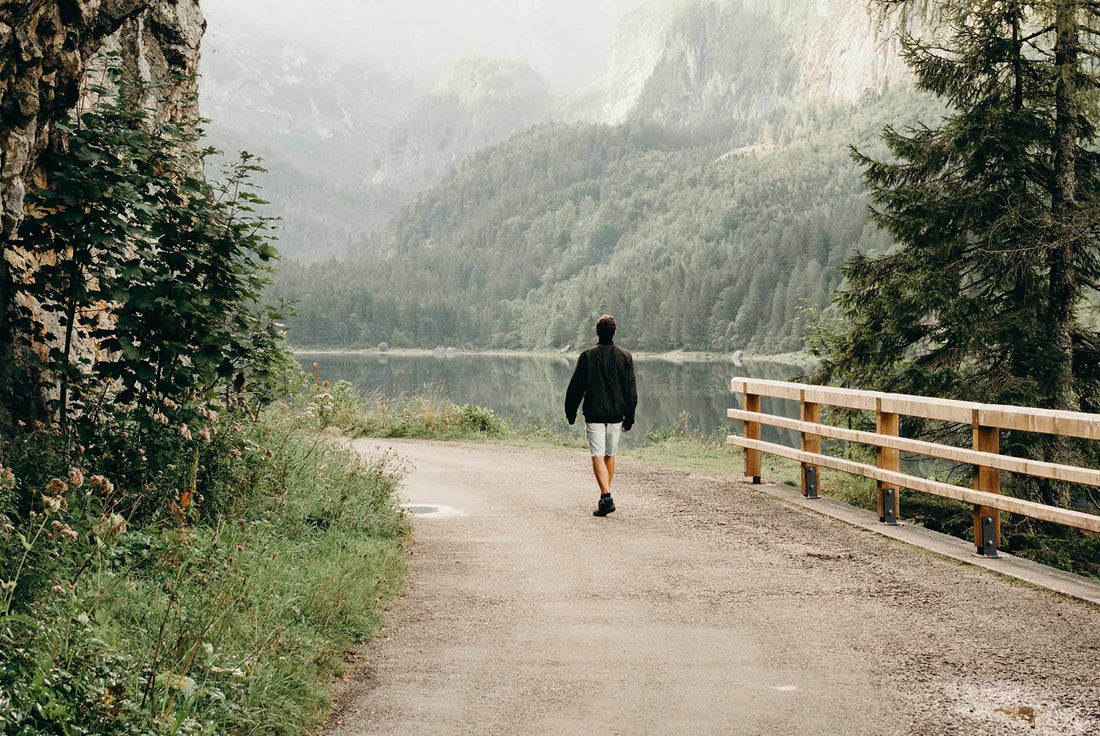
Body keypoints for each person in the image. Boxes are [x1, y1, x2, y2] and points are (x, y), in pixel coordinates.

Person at [564, 315, 638, 517]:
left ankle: (606, 495)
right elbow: (631, 391)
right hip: (616, 415)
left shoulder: (587, 356)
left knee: (597, 454)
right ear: (614, 332)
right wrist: (629, 418)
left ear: (597, 332)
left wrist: (570, 412)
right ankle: (605, 496)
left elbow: (575, 388)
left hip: (594, 414)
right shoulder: (625, 356)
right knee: (610, 455)